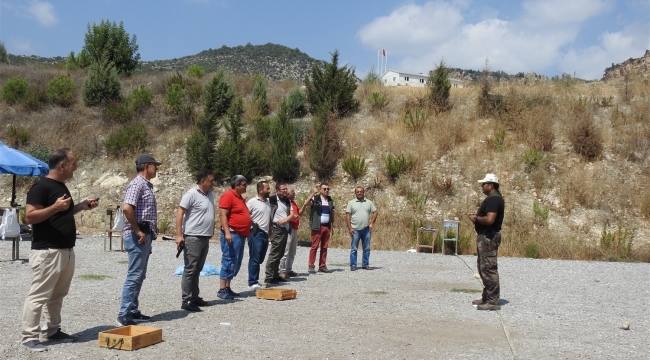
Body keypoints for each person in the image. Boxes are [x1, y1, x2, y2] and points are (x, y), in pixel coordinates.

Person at [21, 149, 99, 352]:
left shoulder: (60, 186)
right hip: (47, 251)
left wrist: (80, 206)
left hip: (65, 250)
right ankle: (29, 336)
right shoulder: (40, 188)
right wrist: (55, 207)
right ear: (62, 165)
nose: (76, 167)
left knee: (58, 294)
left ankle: (53, 330)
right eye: (73, 163)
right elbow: (30, 217)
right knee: (39, 295)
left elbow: (62, 213)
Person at [116, 153, 161, 326]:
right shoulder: (136, 185)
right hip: (137, 236)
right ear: (146, 166)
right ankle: (124, 314)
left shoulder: (145, 185)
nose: (156, 168)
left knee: (139, 275)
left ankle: (132, 310)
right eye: (154, 165)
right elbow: (127, 208)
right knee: (134, 275)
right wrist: (137, 230)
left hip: (143, 235)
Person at [175, 169, 215, 312]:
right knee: (190, 269)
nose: (213, 183)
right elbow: (180, 213)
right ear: (203, 181)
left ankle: (194, 296)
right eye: (211, 180)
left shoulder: (210, 194)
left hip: (205, 237)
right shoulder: (191, 194)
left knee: (198, 268)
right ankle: (186, 300)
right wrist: (179, 235)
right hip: (193, 236)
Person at [467, 173, 505, 311]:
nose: (481, 186)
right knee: (483, 267)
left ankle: (493, 300)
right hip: (486, 237)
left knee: (489, 268)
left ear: (490, 185)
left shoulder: (494, 200)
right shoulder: (493, 198)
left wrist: (476, 218)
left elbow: (490, 220)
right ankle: (487, 297)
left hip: (489, 237)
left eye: (483, 184)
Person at [217, 175, 251, 299]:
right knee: (228, 259)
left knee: (235, 260)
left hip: (240, 234)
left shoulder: (238, 197)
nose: (245, 186)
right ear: (236, 186)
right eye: (243, 184)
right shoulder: (228, 196)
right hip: (232, 233)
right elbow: (223, 215)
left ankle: (227, 287)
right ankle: (222, 289)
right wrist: (227, 232)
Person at [264, 182, 294, 284]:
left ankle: (275, 275)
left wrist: (285, 220)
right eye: (283, 189)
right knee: (274, 253)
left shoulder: (287, 201)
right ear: (277, 191)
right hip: (276, 229)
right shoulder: (271, 200)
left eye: (286, 189)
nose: (285, 191)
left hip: (285, 229)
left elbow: (292, 214)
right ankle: (269, 276)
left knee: (280, 253)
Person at [279, 187, 312, 279]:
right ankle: (281, 270)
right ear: (288, 194)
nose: (295, 194)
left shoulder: (293, 203)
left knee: (292, 251)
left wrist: (304, 206)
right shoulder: (285, 203)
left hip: (295, 228)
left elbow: (299, 214)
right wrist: (292, 217)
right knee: (285, 251)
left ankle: (288, 270)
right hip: (288, 228)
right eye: (293, 192)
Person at [305, 183, 335, 274]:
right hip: (317, 226)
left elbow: (332, 213)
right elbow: (306, 203)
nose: (326, 190)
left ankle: (322, 265)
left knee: (324, 247)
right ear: (320, 190)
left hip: (327, 226)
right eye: (324, 189)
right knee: (314, 246)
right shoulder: (316, 199)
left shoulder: (330, 200)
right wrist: (313, 193)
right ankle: (311, 266)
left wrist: (333, 225)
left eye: (327, 189)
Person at [346, 186, 378, 271]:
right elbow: (348, 216)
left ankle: (365, 264)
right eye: (358, 192)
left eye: (361, 191)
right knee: (354, 249)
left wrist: (371, 223)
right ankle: (353, 265)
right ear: (355, 193)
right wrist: (350, 228)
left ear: (363, 192)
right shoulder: (351, 203)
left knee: (366, 248)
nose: (359, 193)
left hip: (366, 229)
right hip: (355, 230)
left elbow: (375, 212)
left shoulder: (369, 202)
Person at [246, 181, 271, 290]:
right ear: (260, 190)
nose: (269, 191)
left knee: (260, 258)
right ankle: (252, 281)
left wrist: (270, 228)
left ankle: (255, 279)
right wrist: (252, 225)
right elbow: (245, 215)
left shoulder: (268, 202)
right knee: (255, 258)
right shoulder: (252, 202)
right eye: (267, 189)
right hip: (256, 233)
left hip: (265, 234)